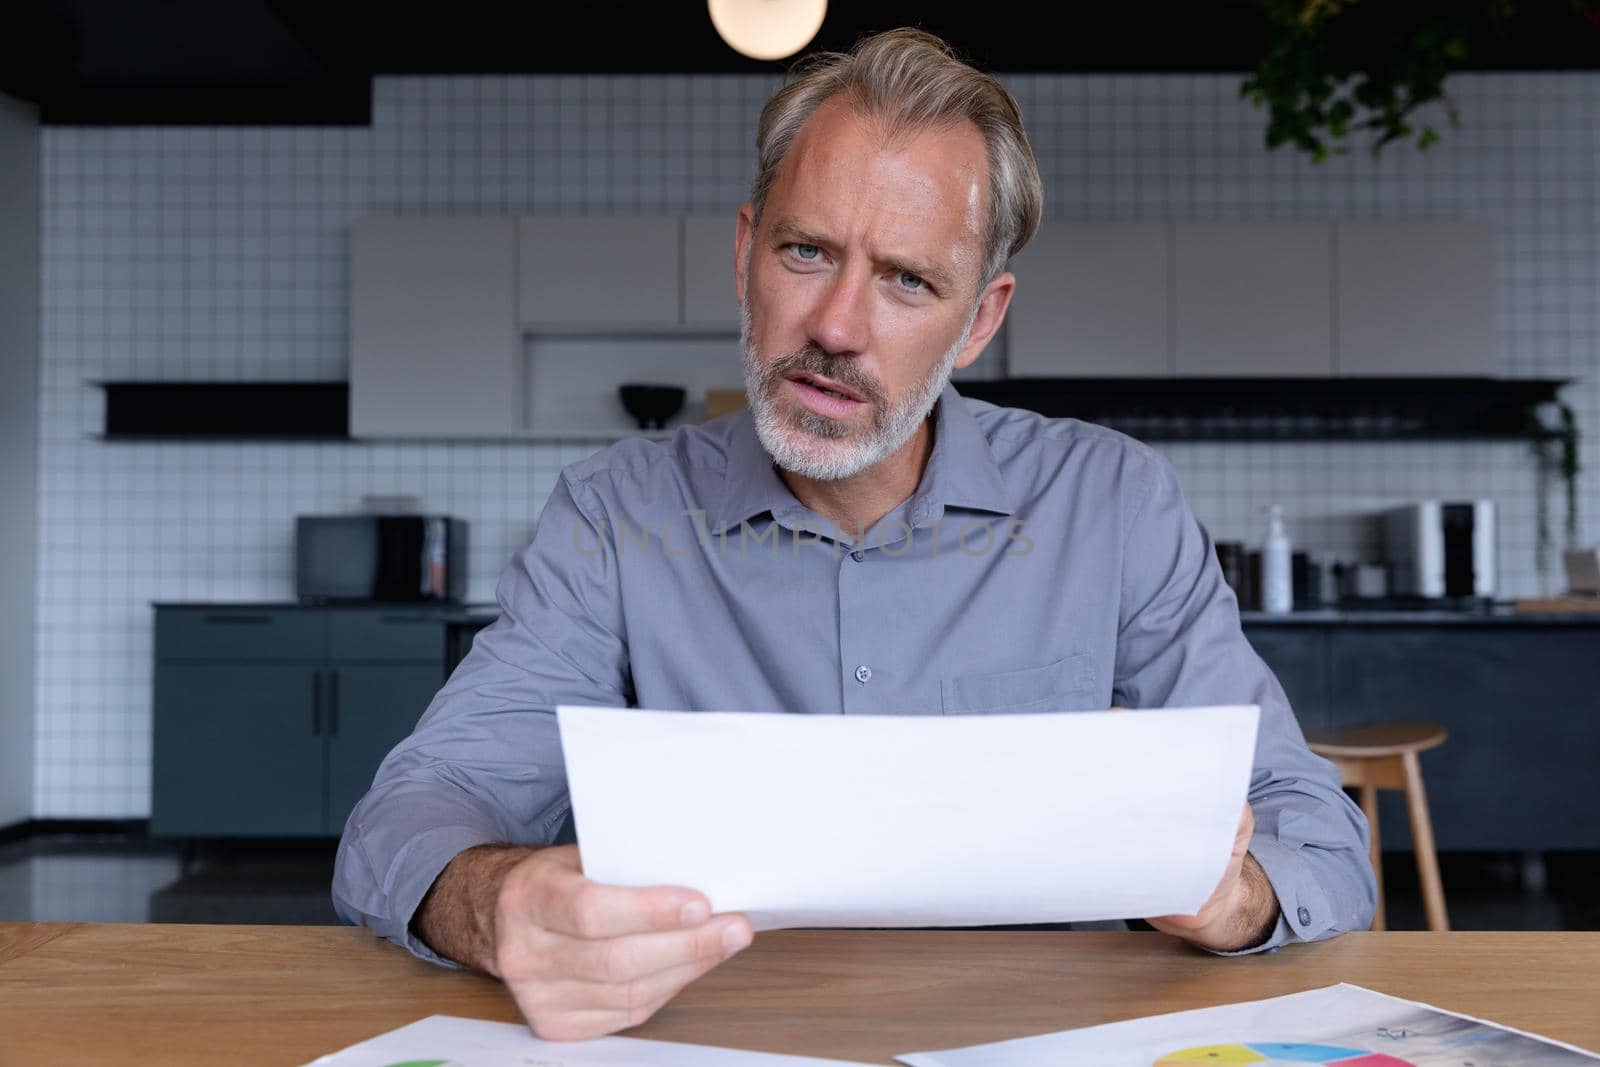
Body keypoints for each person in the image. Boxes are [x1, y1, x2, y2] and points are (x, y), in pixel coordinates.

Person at [333, 27, 1376, 1042]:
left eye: (906, 279)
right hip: (714, 1039)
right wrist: (498, 900)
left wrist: (1232, 898)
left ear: (977, 319)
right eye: (806, 251)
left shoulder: (1111, 500)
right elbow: (411, 813)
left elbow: (1319, 835)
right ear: (747, 254)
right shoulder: (614, 513)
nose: (836, 326)